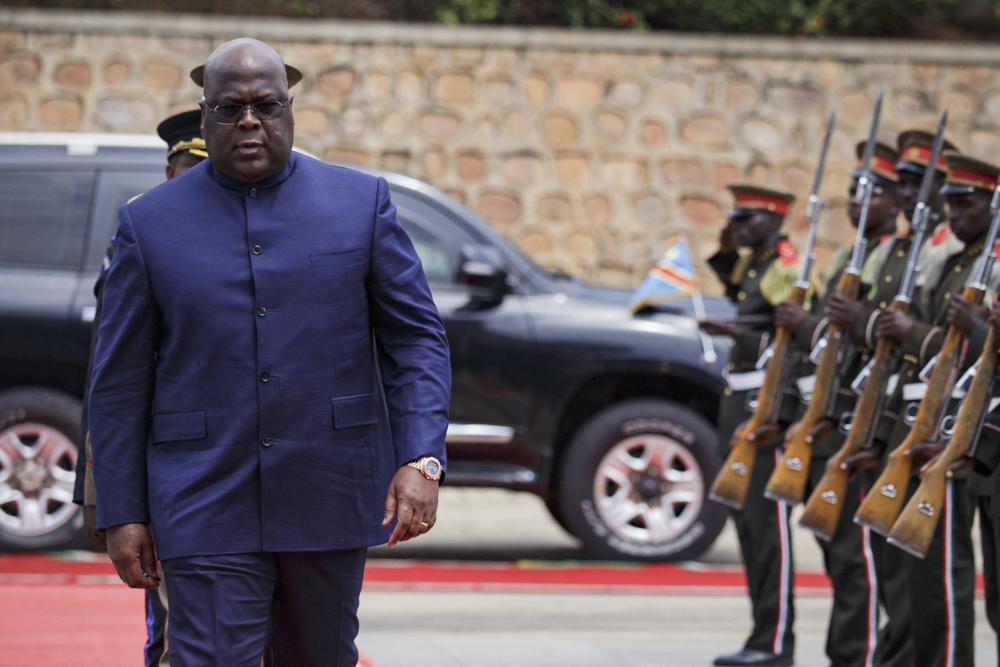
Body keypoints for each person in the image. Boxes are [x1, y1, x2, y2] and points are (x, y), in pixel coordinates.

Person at [87, 38, 451, 667]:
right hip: (202, 497)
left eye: (266, 106)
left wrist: (422, 459)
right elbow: (117, 381)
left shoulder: (360, 205)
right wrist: (122, 511)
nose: (249, 122)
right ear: (205, 116)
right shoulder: (148, 224)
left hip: (329, 491)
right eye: (231, 109)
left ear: (290, 109)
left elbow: (416, 338)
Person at [72, 108, 208, 667]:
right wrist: (101, 489)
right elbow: (115, 374)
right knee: (171, 627)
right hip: (162, 459)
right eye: (186, 168)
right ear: (171, 172)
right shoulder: (142, 237)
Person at [773, 141, 900, 667]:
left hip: (865, 421)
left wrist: (815, 326)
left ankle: (859, 656)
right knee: (835, 552)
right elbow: (830, 346)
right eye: (852, 190)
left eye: (870, 192)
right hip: (827, 420)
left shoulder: (897, 257)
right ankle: (844, 654)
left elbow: (873, 341)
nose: (855, 201)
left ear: (896, 202)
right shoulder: (850, 256)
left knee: (857, 559)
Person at [873, 152, 1000, 667]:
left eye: (965, 204)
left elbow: (978, 355)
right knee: (916, 576)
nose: (953, 214)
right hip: (948, 432)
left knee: (946, 576)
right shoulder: (950, 262)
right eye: (950, 203)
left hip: (972, 434)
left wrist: (973, 325)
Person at [700, 185, 803, 667]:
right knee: (748, 526)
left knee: (769, 529)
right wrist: (725, 244)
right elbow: (739, 290)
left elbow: (795, 334)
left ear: (775, 220)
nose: (739, 226)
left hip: (765, 402)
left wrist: (778, 414)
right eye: (735, 217)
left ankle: (777, 642)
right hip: (739, 397)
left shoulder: (785, 264)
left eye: (748, 218)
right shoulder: (757, 262)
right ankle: (761, 637)